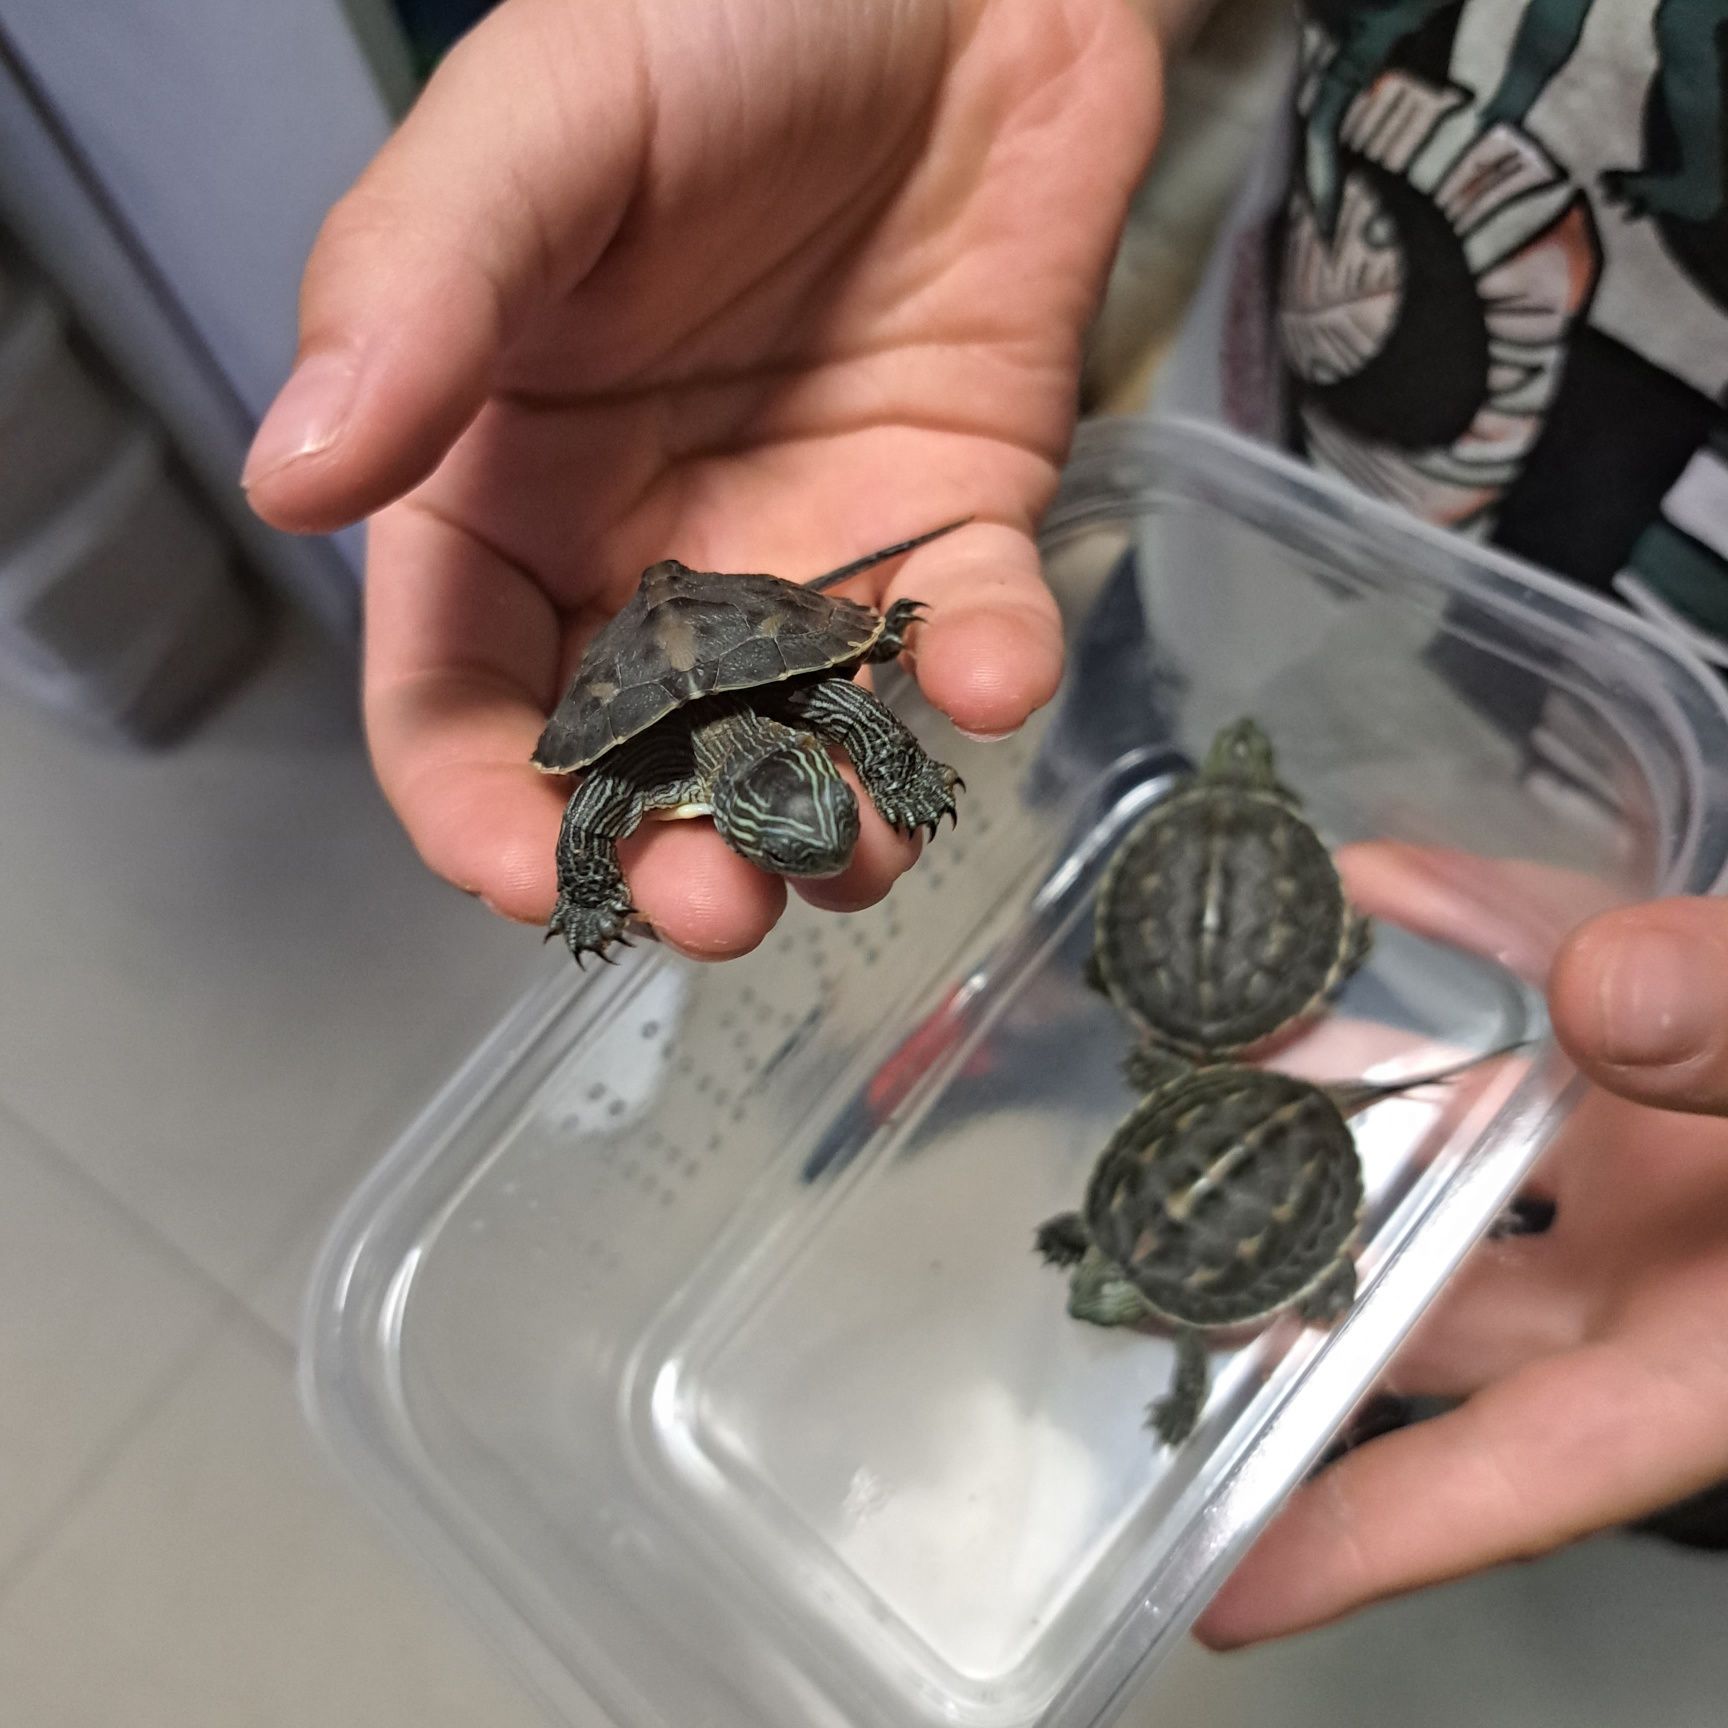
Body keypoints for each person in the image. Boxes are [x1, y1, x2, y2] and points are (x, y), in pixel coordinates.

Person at [243, 0, 1728, 1650]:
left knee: (1445, 1303)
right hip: (1267, 554)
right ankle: (1047, 1009)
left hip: (1675, 1001)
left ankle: (1305, 1324)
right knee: (1107, 766)